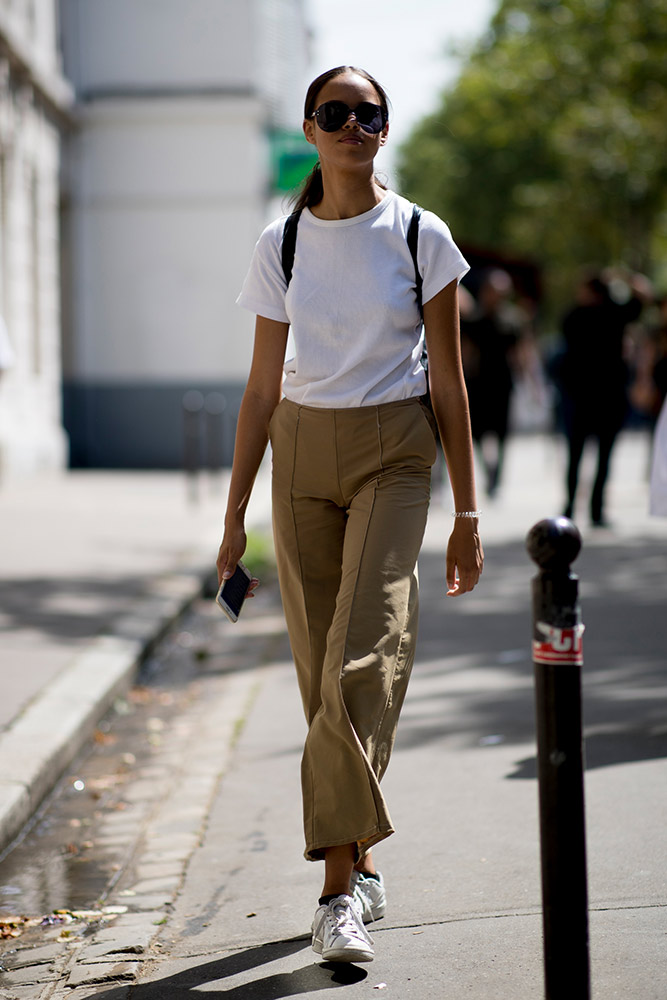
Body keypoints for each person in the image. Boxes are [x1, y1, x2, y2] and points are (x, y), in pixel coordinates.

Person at [216, 65, 483, 965]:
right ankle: (361, 859)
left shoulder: (419, 236)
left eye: (367, 114)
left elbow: (449, 382)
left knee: (360, 659)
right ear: (308, 127)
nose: (351, 127)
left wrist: (468, 511)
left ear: (383, 129)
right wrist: (230, 521)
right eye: (334, 113)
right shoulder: (280, 244)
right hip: (300, 458)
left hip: (396, 454)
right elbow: (258, 392)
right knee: (318, 676)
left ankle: (336, 896)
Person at [558, 271, 649, 527]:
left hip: (581, 398)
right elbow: (644, 296)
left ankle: (570, 507)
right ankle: (596, 510)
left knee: (576, 456)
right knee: (602, 457)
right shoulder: (616, 314)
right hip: (608, 397)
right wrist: (627, 277)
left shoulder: (574, 316)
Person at [459, 269, 521, 496]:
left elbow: (520, 353)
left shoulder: (513, 320)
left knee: (503, 433)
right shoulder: (474, 320)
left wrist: (531, 384)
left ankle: (498, 474)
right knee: (478, 433)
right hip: (479, 384)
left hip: (503, 384)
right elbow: (466, 352)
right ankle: (489, 468)